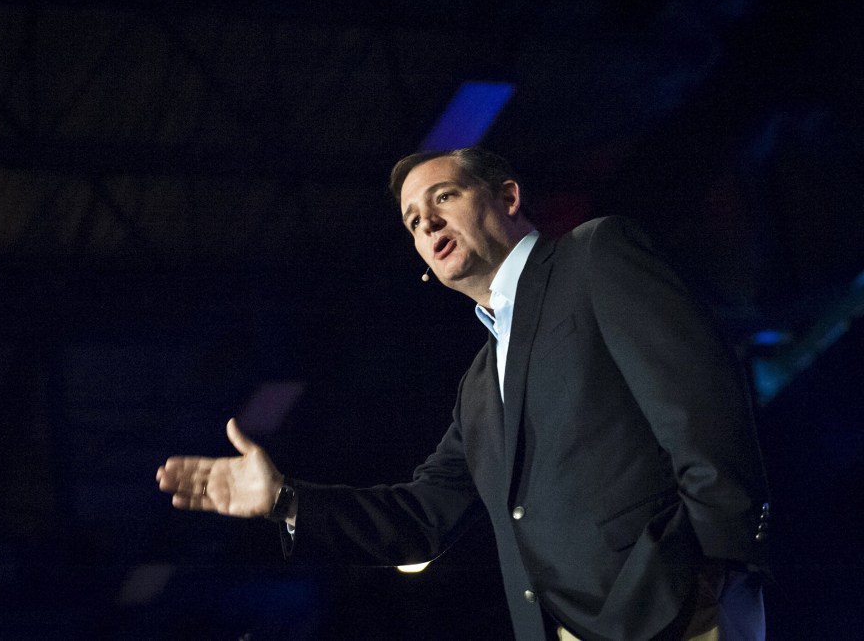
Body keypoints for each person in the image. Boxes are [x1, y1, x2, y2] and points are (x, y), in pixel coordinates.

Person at [156, 148, 769, 641]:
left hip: (679, 606)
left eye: (442, 198)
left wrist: (717, 566)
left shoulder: (593, 256)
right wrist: (286, 501)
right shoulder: (479, 385)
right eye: (412, 220)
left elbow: (703, 410)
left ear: (507, 197)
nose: (426, 222)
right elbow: (423, 517)